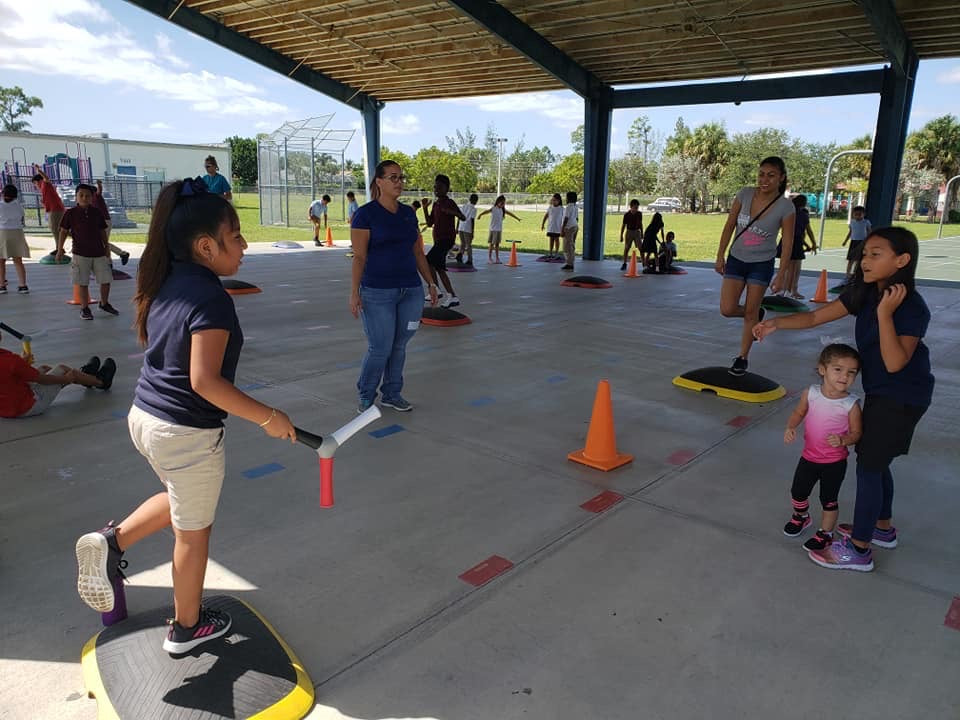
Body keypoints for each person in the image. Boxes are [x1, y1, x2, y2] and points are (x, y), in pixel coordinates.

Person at [74, 177, 296, 654]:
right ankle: (187, 628)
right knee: (194, 535)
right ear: (205, 246)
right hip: (185, 432)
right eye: (235, 236)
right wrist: (268, 416)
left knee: (179, 496)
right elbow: (206, 382)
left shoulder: (166, 281)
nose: (244, 244)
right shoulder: (212, 298)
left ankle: (111, 542)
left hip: (145, 418)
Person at [754, 227, 933, 572]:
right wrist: (777, 323)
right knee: (875, 460)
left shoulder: (910, 306)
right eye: (864, 253)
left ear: (902, 260)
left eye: (875, 254)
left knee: (868, 467)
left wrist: (883, 315)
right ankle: (882, 529)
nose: (865, 260)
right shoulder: (865, 292)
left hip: (903, 396)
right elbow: (814, 316)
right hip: (882, 393)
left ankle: (860, 549)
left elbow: (896, 362)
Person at [350, 160, 438, 414]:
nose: (399, 182)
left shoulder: (408, 214)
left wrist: (430, 283)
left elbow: (418, 253)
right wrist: (354, 292)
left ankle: (392, 393)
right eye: (393, 178)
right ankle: (366, 395)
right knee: (380, 347)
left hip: (410, 291)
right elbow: (359, 257)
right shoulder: (365, 214)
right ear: (379, 182)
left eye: (401, 177)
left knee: (399, 346)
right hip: (377, 292)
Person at [716, 156, 796, 376]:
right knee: (727, 309)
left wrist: (781, 274)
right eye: (761, 174)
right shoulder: (744, 194)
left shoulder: (786, 207)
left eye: (771, 175)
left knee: (750, 313)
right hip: (736, 259)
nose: (765, 179)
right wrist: (720, 255)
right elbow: (729, 225)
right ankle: (755, 313)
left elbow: (787, 242)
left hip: (761, 263)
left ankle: (742, 357)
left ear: (781, 178)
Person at [781, 344, 862, 552]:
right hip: (809, 458)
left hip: (834, 463)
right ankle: (801, 516)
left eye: (851, 372)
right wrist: (791, 427)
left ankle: (825, 534)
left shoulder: (851, 404)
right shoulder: (811, 393)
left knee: (829, 500)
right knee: (798, 492)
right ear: (822, 369)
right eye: (838, 369)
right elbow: (799, 412)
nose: (845, 376)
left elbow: (857, 433)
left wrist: (844, 440)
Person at [0, 339, 116, 418]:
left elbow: (9, 375)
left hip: (5, 408)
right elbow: (41, 379)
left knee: (44, 368)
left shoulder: (10, 360)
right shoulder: (11, 360)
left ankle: (86, 378)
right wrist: (65, 379)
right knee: (65, 371)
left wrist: (22, 363)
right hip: (27, 406)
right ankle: (101, 382)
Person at [56, 183, 118, 320]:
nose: (84, 198)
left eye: (88, 196)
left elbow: (102, 231)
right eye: (81, 195)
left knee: (106, 280)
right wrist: (60, 249)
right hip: (80, 253)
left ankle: (104, 303)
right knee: (82, 282)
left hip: (99, 253)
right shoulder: (70, 213)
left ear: (92, 198)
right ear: (76, 197)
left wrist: (106, 247)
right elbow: (63, 231)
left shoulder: (97, 213)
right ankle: (84, 308)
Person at [421, 175, 465, 309]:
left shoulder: (449, 202)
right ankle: (452, 296)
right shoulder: (436, 204)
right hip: (438, 239)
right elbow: (429, 223)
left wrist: (450, 212)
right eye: (435, 187)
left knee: (428, 261)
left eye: (439, 187)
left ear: (447, 188)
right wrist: (424, 208)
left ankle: (435, 288)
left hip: (447, 239)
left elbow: (462, 217)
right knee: (439, 268)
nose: (436, 189)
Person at [781, 194, 817, 298]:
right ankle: (790, 291)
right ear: (804, 204)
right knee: (794, 268)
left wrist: (807, 244)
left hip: (786, 240)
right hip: (796, 242)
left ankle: (784, 290)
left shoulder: (788, 213)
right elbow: (807, 231)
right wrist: (813, 243)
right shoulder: (803, 215)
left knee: (786, 267)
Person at [0, 184, 29, 294]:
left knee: (1, 261)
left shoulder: (0, 205)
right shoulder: (18, 205)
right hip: (17, 233)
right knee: (18, 261)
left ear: (3, 194)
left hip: (3, 232)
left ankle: (2, 285)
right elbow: (21, 216)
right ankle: (23, 286)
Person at [93, 179, 130, 265]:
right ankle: (122, 254)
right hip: (102, 222)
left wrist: (99, 185)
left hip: (105, 222)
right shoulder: (91, 201)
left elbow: (99, 192)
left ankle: (109, 262)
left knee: (103, 243)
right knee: (102, 243)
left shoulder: (96, 196)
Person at [478, 195, 520, 264]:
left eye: (504, 203)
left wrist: (517, 218)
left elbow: (510, 214)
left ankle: (497, 258)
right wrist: (480, 215)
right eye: (501, 203)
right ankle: (490, 258)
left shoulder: (502, 210)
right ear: (498, 202)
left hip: (499, 230)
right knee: (491, 244)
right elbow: (486, 211)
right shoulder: (493, 208)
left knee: (497, 244)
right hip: (493, 229)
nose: (503, 204)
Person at [31, 170, 65, 255]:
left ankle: (59, 248)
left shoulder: (44, 183)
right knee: (55, 228)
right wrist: (43, 201)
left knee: (56, 229)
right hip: (53, 210)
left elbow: (46, 178)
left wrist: (39, 171)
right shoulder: (43, 188)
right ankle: (59, 247)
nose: (36, 186)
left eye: (35, 183)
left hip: (56, 209)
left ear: (38, 181)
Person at [842, 206, 871, 279]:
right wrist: (845, 241)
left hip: (862, 242)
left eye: (860, 214)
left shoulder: (866, 222)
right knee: (851, 258)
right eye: (856, 214)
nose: (858, 216)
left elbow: (869, 231)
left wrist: (869, 240)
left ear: (864, 214)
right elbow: (850, 232)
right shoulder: (852, 222)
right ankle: (848, 274)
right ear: (853, 214)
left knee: (859, 259)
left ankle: (855, 273)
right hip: (853, 242)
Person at [618, 199, 643, 271]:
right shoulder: (627, 215)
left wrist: (642, 233)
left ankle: (644, 263)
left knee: (641, 248)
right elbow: (623, 226)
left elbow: (641, 224)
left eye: (637, 207)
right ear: (631, 207)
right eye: (635, 207)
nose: (636, 209)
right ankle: (624, 263)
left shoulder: (639, 214)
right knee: (627, 248)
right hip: (629, 232)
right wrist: (621, 235)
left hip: (637, 232)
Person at [456, 193, 478, 266]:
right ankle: (469, 260)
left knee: (462, 243)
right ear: (476, 201)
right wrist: (472, 232)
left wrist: (457, 227)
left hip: (461, 227)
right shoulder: (473, 209)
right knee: (468, 245)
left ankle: (460, 255)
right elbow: (472, 220)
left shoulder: (464, 206)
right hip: (467, 228)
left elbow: (459, 216)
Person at [542, 193, 565, 261]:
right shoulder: (550, 207)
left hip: (558, 228)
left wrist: (563, 228)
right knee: (551, 239)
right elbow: (546, 216)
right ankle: (551, 252)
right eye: (552, 200)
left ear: (559, 201)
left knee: (556, 239)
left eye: (555, 200)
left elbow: (564, 218)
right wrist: (543, 224)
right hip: (551, 227)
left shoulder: (561, 208)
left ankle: (556, 253)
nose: (553, 201)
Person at [560, 191, 579, 270]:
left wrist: (562, 229)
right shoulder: (575, 206)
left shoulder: (568, 207)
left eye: (567, 197)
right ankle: (571, 261)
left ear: (569, 198)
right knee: (572, 245)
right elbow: (577, 218)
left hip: (569, 227)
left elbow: (566, 218)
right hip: (575, 226)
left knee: (567, 246)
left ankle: (569, 264)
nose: (565, 198)